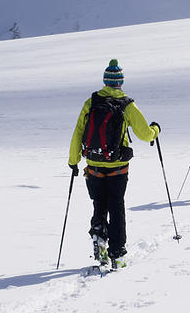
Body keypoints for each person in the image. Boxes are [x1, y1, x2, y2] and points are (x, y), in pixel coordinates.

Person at [68, 59, 160, 269]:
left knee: (99, 204)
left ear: (105, 81)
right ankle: (117, 255)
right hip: (118, 167)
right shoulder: (126, 104)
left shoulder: (91, 102)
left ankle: (99, 236)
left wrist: (73, 161)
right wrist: (156, 129)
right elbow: (145, 134)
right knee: (116, 207)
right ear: (120, 82)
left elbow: (78, 132)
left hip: (94, 164)